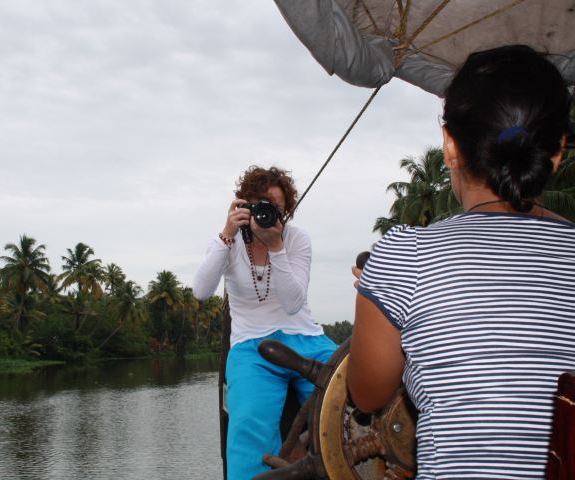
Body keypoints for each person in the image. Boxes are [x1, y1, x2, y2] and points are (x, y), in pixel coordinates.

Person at [347, 45, 575, 479]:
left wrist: (374, 297)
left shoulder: (405, 256)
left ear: (450, 146)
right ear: (558, 151)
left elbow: (367, 394)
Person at [193, 165, 337, 479]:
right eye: (263, 206)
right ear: (245, 205)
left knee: (353, 399)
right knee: (249, 431)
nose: (269, 215)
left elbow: (293, 302)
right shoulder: (226, 243)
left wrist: (276, 247)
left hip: (307, 341)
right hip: (252, 350)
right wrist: (227, 234)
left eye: (278, 210)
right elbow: (201, 290)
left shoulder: (296, 240)